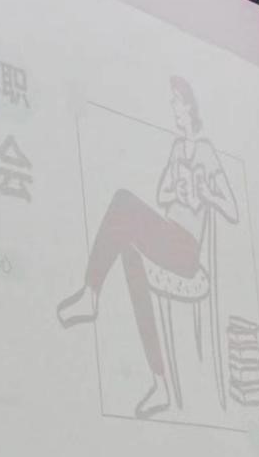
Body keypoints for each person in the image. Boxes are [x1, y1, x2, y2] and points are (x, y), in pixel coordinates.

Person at [57, 77, 238, 418]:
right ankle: (160, 383)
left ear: (188, 105)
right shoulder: (177, 149)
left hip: (186, 249)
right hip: (168, 235)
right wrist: (178, 189)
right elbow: (162, 194)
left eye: (175, 101)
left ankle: (91, 293)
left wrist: (204, 193)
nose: (173, 107)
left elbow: (231, 208)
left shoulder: (205, 152)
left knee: (123, 201)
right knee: (129, 251)